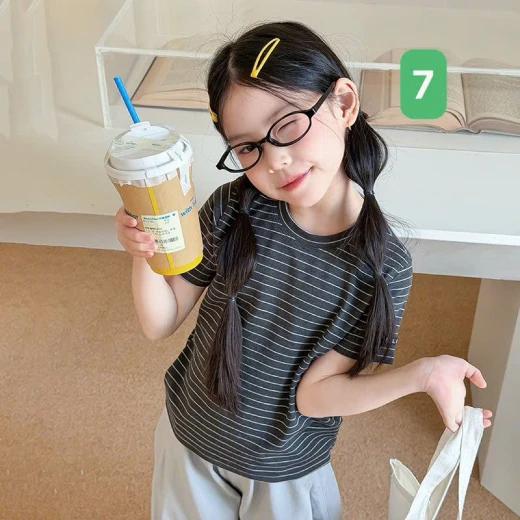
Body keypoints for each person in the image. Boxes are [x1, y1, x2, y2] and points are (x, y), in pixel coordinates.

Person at [115, 21, 492, 520]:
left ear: (344, 103)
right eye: (248, 147)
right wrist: (144, 250)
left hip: (284, 472)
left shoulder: (382, 268)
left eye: (288, 124)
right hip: (188, 440)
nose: (274, 160)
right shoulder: (232, 207)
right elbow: (159, 322)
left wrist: (420, 375)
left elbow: (315, 397)